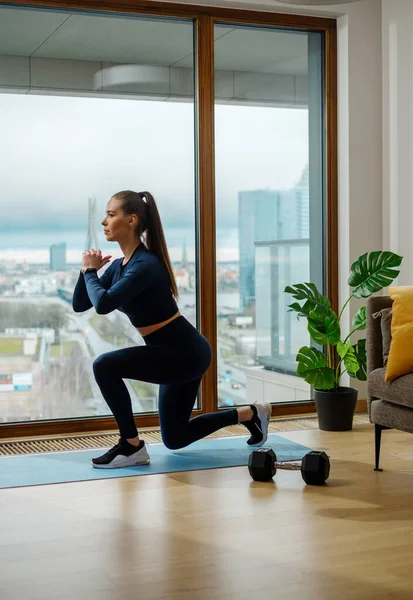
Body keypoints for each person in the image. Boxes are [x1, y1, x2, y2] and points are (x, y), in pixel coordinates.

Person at [73, 190, 271, 469]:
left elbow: (103, 304)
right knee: (176, 438)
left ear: (131, 220)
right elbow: (81, 304)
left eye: (110, 214)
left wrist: (91, 273)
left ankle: (131, 445)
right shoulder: (119, 266)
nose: (104, 222)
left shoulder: (145, 266)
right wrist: (86, 271)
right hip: (169, 353)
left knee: (105, 365)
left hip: (184, 353)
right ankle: (251, 414)